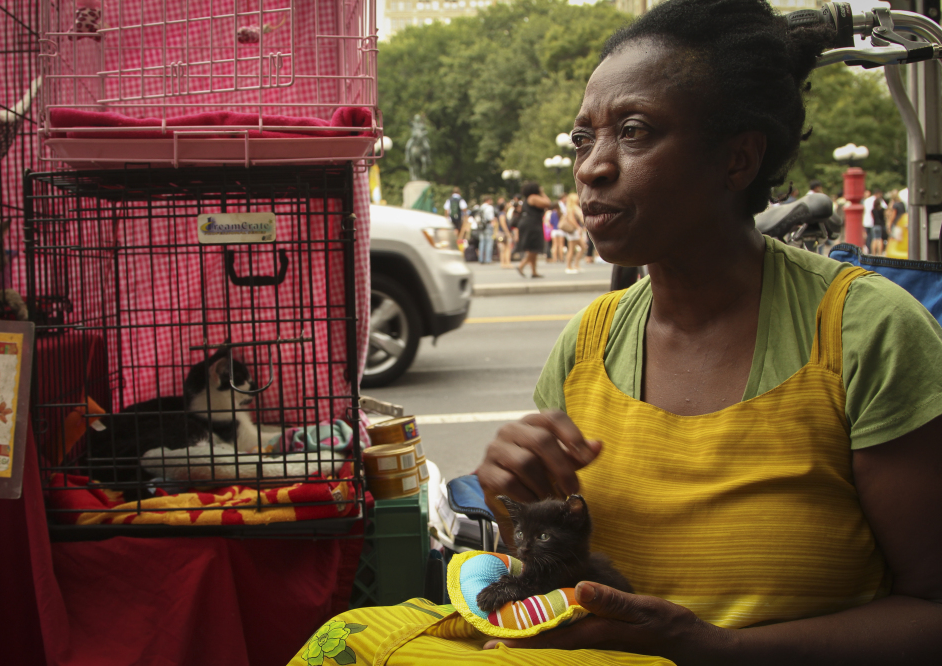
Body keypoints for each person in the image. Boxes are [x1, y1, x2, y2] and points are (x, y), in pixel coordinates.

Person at [292, 1, 942, 663]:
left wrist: (710, 648)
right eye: (583, 139)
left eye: (633, 132)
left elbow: (931, 616)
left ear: (738, 159)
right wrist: (513, 498)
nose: (591, 168)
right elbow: (562, 566)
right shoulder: (589, 340)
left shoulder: (868, 333)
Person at [516, 182, 551, 278]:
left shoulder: (527, 199)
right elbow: (547, 203)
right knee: (534, 248)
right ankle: (521, 265)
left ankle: (534, 271)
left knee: (533, 248)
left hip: (529, 223)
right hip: (532, 224)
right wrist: (543, 193)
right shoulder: (533, 197)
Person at [561, 192, 585, 273]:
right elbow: (572, 219)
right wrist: (578, 227)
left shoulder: (573, 207)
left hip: (575, 230)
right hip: (573, 230)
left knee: (583, 246)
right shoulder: (571, 208)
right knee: (571, 249)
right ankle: (569, 266)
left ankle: (575, 264)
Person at [478, 196, 497, 264]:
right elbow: (491, 217)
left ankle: (481, 259)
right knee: (489, 242)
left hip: (481, 226)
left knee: (482, 242)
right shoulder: (489, 207)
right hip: (488, 225)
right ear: (488, 200)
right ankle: (488, 259)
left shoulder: (481, 207)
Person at [870, 189, 886, 256]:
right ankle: (879, 253)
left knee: (874, 239)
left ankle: (873, 253)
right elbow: (884, 217)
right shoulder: (882, 210)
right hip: (880, 225)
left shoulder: (873, 210)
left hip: (874, 225)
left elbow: (873, 218)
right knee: (880, 239)